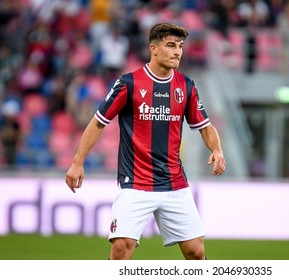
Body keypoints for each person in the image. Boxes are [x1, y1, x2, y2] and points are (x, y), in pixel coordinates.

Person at [65, 22, 226, 260]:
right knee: (121, 248)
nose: (177, 52)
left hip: (174, 183)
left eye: (180, 46)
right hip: (135, 182)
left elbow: (205, 126)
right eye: (170, 45)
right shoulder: (128, 83)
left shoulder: (186, 86)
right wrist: (77, 162)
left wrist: (217, 149)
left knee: (196, 252)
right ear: (153, 49)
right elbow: (98, 122)